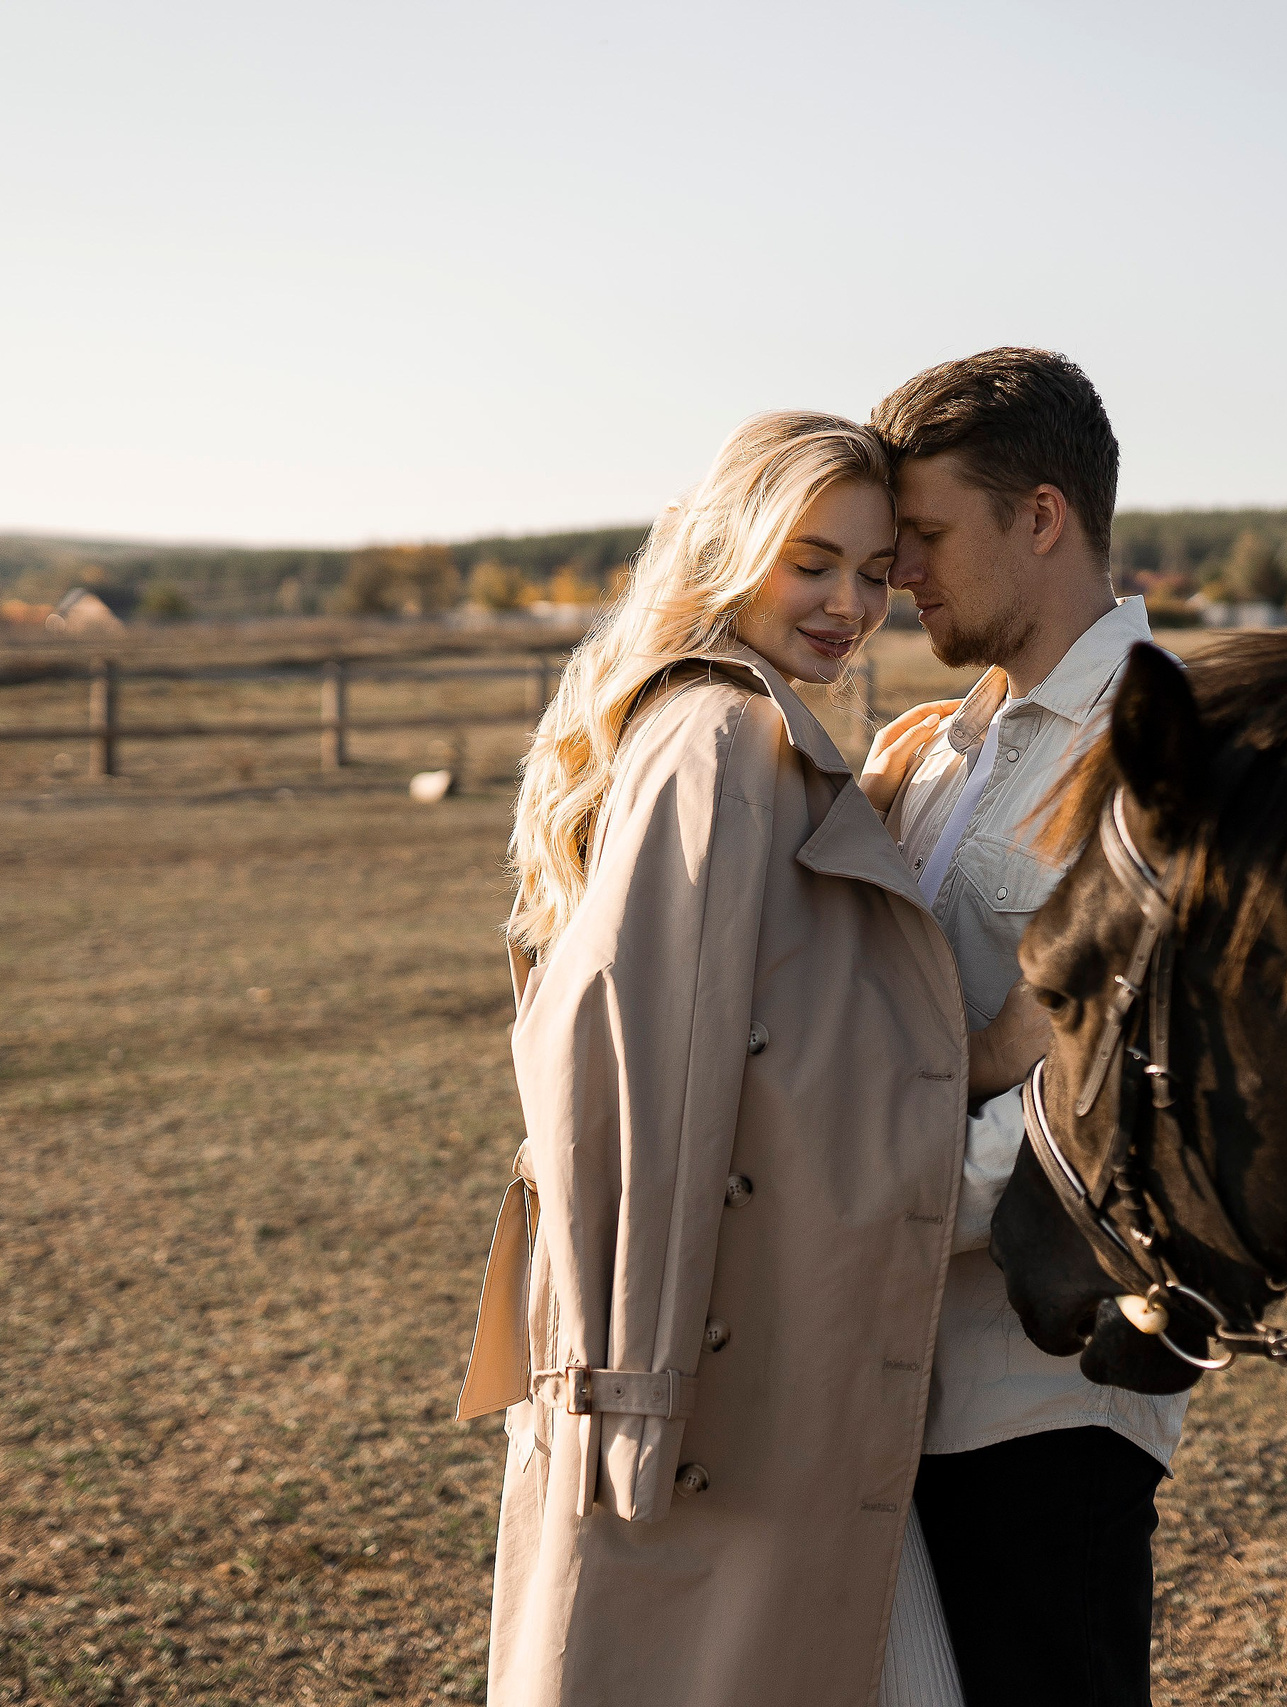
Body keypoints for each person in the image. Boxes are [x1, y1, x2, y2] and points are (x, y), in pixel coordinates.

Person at [463, 411, 1038, 1706]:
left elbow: (803, 1037)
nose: (850, 604)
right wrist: (637, 1388)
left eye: (878, 571)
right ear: (732, 548)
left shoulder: (742, 737)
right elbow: (633, 1078)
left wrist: (863, 828)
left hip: (756, 1363)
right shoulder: (722, 740)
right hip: (722, 1382)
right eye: (812, 561)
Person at [858, 349, 1191, 1707]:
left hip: (1040, 1396)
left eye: (926, 538)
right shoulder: (944, 744)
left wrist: (870, 1208)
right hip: (885, 1374)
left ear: (1041, 517)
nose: (899, 578)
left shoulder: (1159, 748)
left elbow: (1132, 1091)